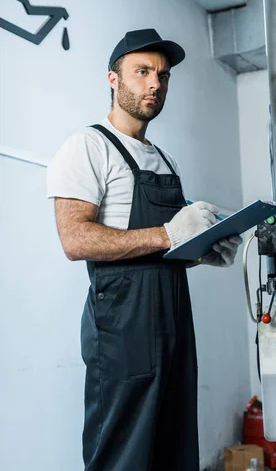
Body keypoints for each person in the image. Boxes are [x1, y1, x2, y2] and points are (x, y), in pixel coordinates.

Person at [46, 28, 243, 471]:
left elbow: (166, 248)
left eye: (163, 75)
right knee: (124, 454)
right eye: (142, 72)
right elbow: (75, 240)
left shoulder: (164, 158)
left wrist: (203, 248)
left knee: (173, 446)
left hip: (172, 321)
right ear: (113, 79)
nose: (155, 84)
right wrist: (168, 235)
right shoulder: (88, 146)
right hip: (122, 327)